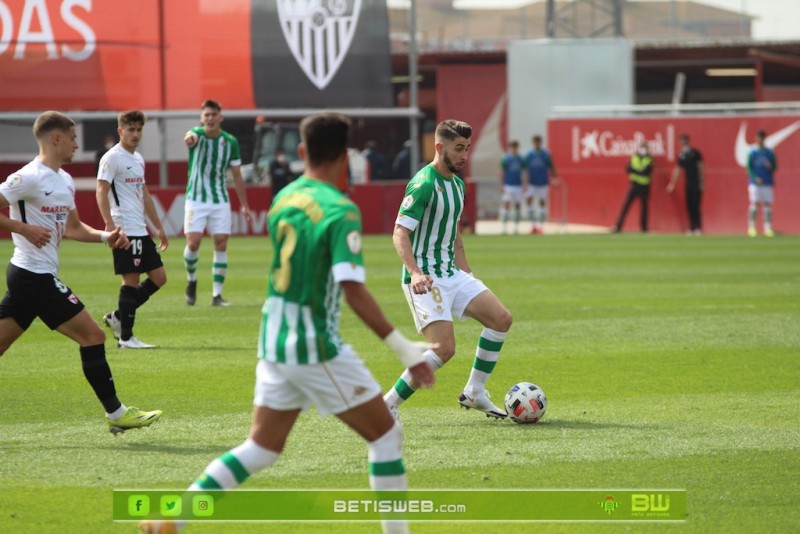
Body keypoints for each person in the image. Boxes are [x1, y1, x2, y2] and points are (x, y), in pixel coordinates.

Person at [139, 112, 434, 534]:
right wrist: (405, 349)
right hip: (314, 345)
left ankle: (174, 519)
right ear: (345, 157)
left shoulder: (284, 200)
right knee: (385, 436)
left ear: (301, 152)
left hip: (274, 340)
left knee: (261, 448)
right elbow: (352, 289)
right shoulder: (340, 210)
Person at [0, 111, 161, 433]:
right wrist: (22, 228)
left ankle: (117, 415)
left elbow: (73, 228)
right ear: (55, 139)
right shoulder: (28, 177)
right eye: (73, 138)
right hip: (33, 275)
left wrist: (106, 236)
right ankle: (117, 414)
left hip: (31, 277)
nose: (77, 144)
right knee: (93, 335)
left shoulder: (64, 180)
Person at [383, 119, 513, 420]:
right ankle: (387, 404)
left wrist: (467, 272)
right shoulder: (423, 183)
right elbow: (399, 232)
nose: (464, 155)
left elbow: (453, 232)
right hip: (426, 278)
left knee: (501, 319)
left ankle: (474, 392)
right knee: (443, 349)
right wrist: (415, 273)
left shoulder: (457, 185)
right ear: (439, 147)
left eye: (467, 148)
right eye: (458, 149)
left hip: (452, 273)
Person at [96, 110, 168, 349]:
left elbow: (144, 194)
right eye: (131, 129)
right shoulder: (112, 158)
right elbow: (101, 191)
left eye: (139, 130)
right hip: (123, 227)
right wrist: (109, 226)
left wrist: (158, 226)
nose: (136, 134)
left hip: (140, 228)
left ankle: (118, 317)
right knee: (131, 280)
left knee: (159, 278)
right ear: (120, 131)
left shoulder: (138, 159)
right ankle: (126, 338)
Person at [182, 99, 253, 307]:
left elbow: (237, 176)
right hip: (196, 198)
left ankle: (217, 295)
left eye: (214, 115)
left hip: (220, 199)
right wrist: (189, 138)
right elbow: (190, 137)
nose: (210, 118)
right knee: (193, 243)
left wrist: (245, 205)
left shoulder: (230, 142)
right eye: (207, 115)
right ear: (201, 118)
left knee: (221, 243)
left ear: (220, 117)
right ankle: (191, 281)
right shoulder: (197, 134)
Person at [667, 133, 704, 235]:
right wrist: (672, 183)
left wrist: (702, 182)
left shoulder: (695, 153)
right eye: (681, 141)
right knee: (689, 206)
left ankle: (698, 227)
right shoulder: (681, 156)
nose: (683, 143)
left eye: (684, 140)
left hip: (696, 183)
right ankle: (691, 227)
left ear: (688, 141)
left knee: (696, 205)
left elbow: (700, 167)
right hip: (688, 183)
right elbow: (678, 170)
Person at [612, 141, 653, 233]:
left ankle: (644, 228)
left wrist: (636, 170)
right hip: (634, 185)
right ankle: (618, 226)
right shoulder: (634, 156)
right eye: (642, 147)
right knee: (626, 205)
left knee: (644, 207)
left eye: (644, 147)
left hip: (644, 186)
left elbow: (646, 171)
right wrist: (639, 170)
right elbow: (628, 168)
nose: (643, 149)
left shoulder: (649, 159)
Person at [524, 134, 559, 234]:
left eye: (538, 142)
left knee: (542, 202)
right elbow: (526, 168)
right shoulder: (529, 154)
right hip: (532, 182)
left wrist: (554, 177)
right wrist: (526, 181)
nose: (537, 144)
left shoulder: (545, 153)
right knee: (529, 200)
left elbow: (551, 165)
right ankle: (533, 225)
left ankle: (541, 226)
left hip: (543, 182)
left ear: (541, 142)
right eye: (535, 142)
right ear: (533, 143)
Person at [746, 129, 776, 237]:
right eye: (758, 137)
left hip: (767, 182)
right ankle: (752, 227)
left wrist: (771, 166)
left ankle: (768, 228)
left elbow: (775, 166)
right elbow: (748, 167)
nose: (760, 140)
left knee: (767, 205)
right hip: (755, 183)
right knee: (754, 204)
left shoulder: (769, 152)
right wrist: (755, 177)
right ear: (756, 139)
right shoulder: (752, 152)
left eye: (762, 138)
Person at [499, 140, 526, 234]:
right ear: (510, 147)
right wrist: (501, 185)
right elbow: (501, 172)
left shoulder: (520, 159)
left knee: (517, 206)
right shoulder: (506, 158)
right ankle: (504, 228)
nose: (514, 148)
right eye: (512, 146)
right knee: (506, 205)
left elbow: (524, 172)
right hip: (508, 185)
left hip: (517, 185)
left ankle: (516, 228)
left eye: (515, 146)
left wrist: (524, 184)